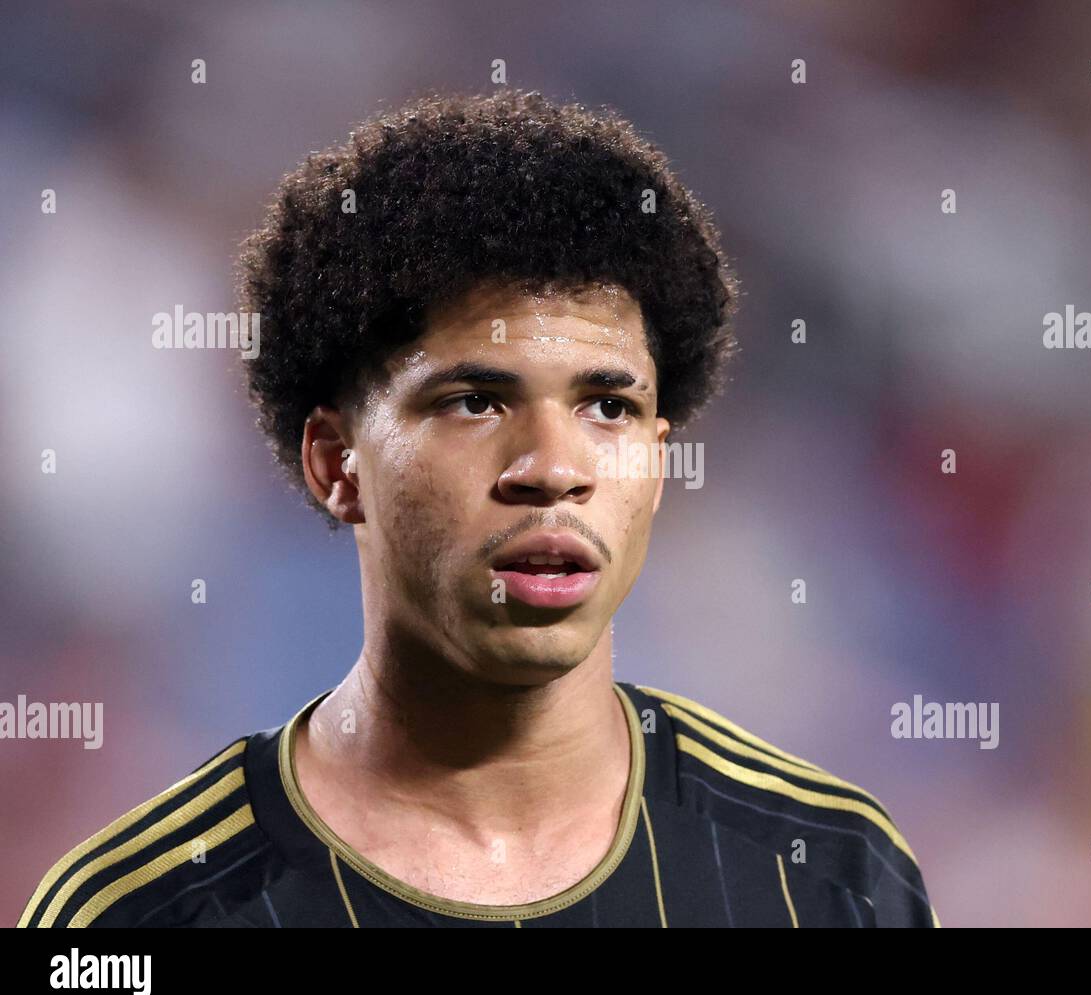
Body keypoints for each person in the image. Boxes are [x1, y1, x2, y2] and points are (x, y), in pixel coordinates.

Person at [18, 89, 938, 928]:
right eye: (474, 402)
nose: (551, 469)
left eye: (607, 407)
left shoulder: (829, 876)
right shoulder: (137, 915)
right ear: (336, 463)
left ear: (659, 465)